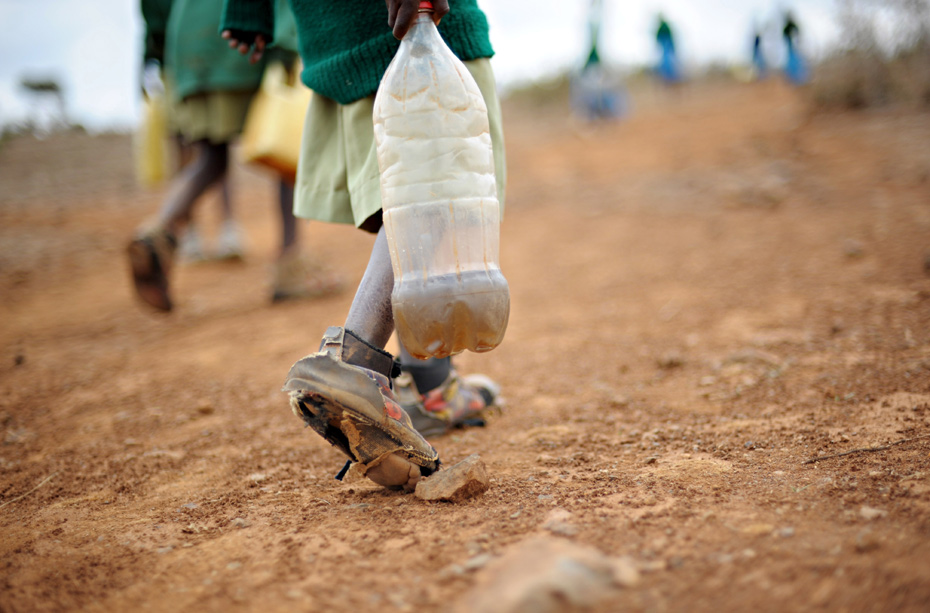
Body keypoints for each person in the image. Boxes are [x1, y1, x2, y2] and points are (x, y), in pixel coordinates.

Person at [221, 0, 504, 490]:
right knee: (442, 188)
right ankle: (354, 363)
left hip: (334, 31)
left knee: (406, 201)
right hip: (402, 28)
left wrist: (249, 6)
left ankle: (431, 388)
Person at [130, 0, 343, 312]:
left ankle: (157, 233)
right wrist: (286, 46)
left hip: (187, 45)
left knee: (210, 159)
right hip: (243, 42)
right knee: (286, 152)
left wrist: (156, 51)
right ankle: (290, 263)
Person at [782, 10, 809, 85]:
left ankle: (801, 80)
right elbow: (784, 37)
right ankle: (794, 80)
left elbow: (798, 34)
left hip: (795, 48)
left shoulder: (792, 26)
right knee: (793, 63)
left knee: (799, 63)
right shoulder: (787, 28)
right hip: (791, 49)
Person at [655, 13, 682, 85]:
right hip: (666, 49)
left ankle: (674, 78)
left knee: (671, 63)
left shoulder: (665, 27)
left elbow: (668, 39)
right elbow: (657, 39)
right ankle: (668, 79)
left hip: (668, 48)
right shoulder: (661, 28)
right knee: (665, 63)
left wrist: (672, 47)